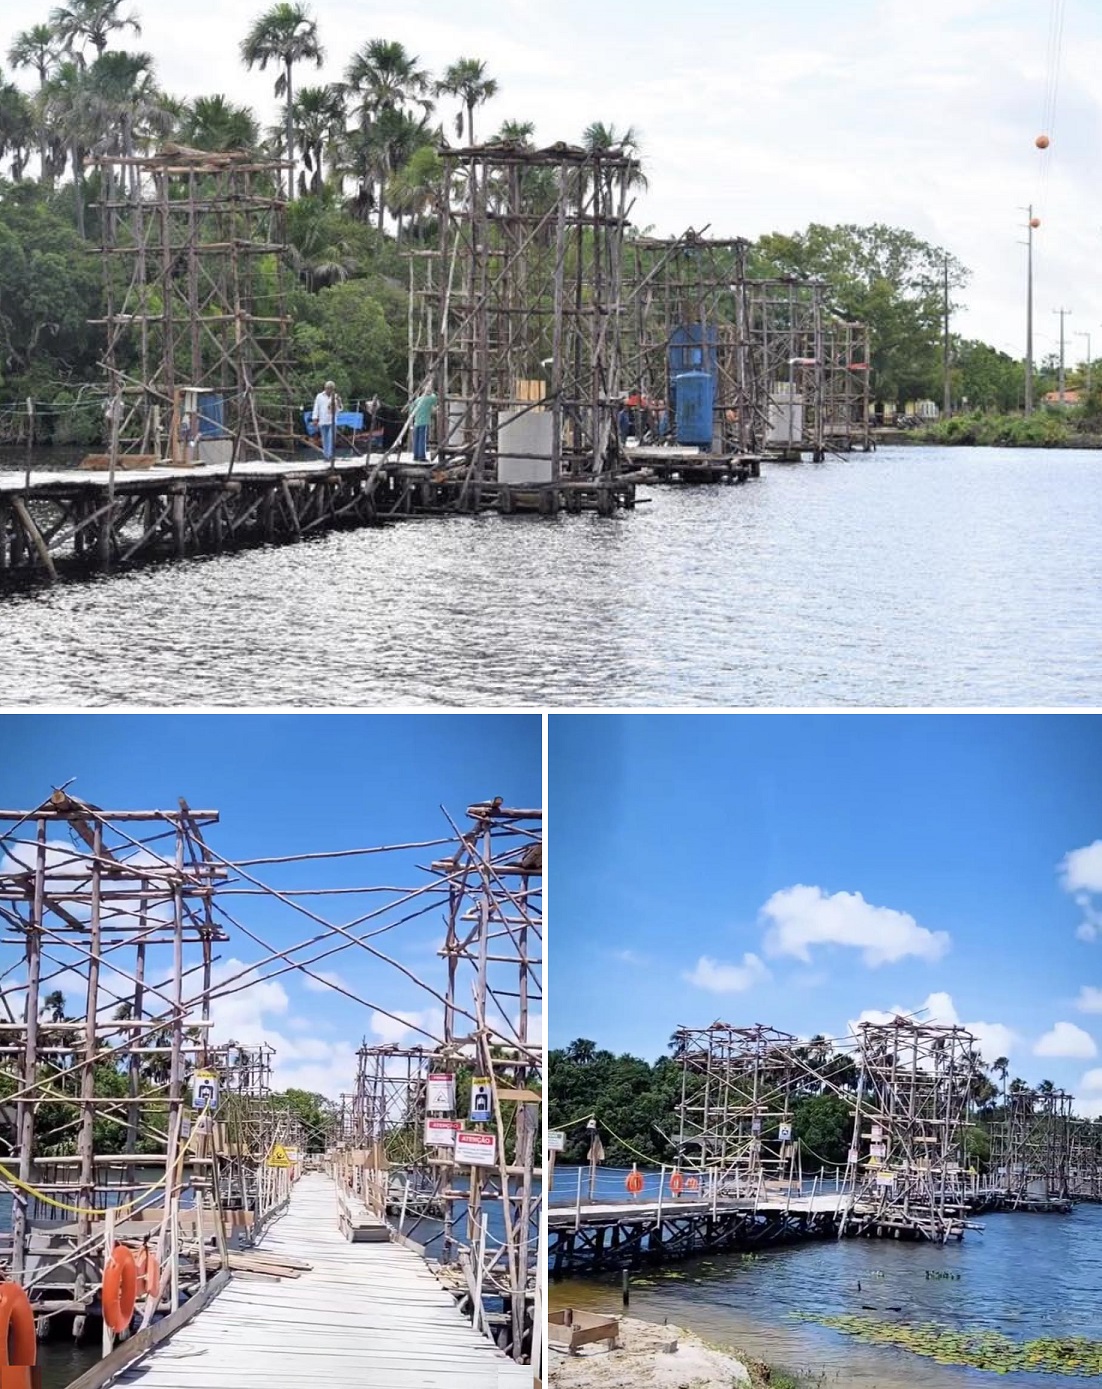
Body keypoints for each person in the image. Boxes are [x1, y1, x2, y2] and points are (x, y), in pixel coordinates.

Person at [311, 380, 342, 462]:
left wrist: (339, 402)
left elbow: (340, 409)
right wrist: (314, 418)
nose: (329, 390)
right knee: (324, 439)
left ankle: (330, 455)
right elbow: (316, 407)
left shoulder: (336, 396)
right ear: (325, 388)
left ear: (333, 389)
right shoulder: (319, 396)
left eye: (331, 388)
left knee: (331, 438)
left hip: (332, 421)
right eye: (327, 388)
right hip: (323, 421)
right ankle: (326, 456)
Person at [409, 384, 438, 462]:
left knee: (417, 440)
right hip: (424, 422)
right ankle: (421, 456)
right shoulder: (431, 398)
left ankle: (416, 456)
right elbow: (435, 399)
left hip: (416, 422)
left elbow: (411, 409)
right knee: (422, 440)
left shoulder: (418, 399)